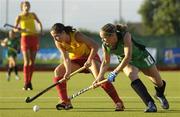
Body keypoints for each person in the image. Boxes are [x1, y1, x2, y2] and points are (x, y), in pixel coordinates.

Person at [93, 23, 169, 112]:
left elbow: (127, 56)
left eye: (104, 38)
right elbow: (106, 62)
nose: (103, 40)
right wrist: (99, 78)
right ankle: (150, 104)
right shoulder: (105, 45)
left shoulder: (125, 36)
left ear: (112, 35)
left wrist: (115, 71)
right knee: (131, 75)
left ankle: (159, 94)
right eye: (101, 38)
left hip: (141, 57)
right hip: (128, 62)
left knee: (159, 83)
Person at [50, 23, 124, 111]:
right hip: (76, 61)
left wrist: (89, 60)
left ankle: (118, 102)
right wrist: (67, 72)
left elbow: (95, 46)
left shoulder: (76, 35)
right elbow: (66, 58)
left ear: (63, 32)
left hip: (91, 58)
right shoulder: (58, 42)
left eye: (56, 36)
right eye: (53, 37)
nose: (55, 39)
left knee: (99, 79)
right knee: (58, 71)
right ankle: (65, 101)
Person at [13, 1, 43, 90]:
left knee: (32, 62)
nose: (27, 6)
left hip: (34, 38)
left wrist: (40, 31)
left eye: (28, 5)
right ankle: (26, 82)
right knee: (26, 62)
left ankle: (29, 82)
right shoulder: (19, 16)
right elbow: (14, 29)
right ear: (22, 7)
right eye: (25, 5)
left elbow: (39, 23)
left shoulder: (33, 14)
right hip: (25, 39)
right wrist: (20, 29)